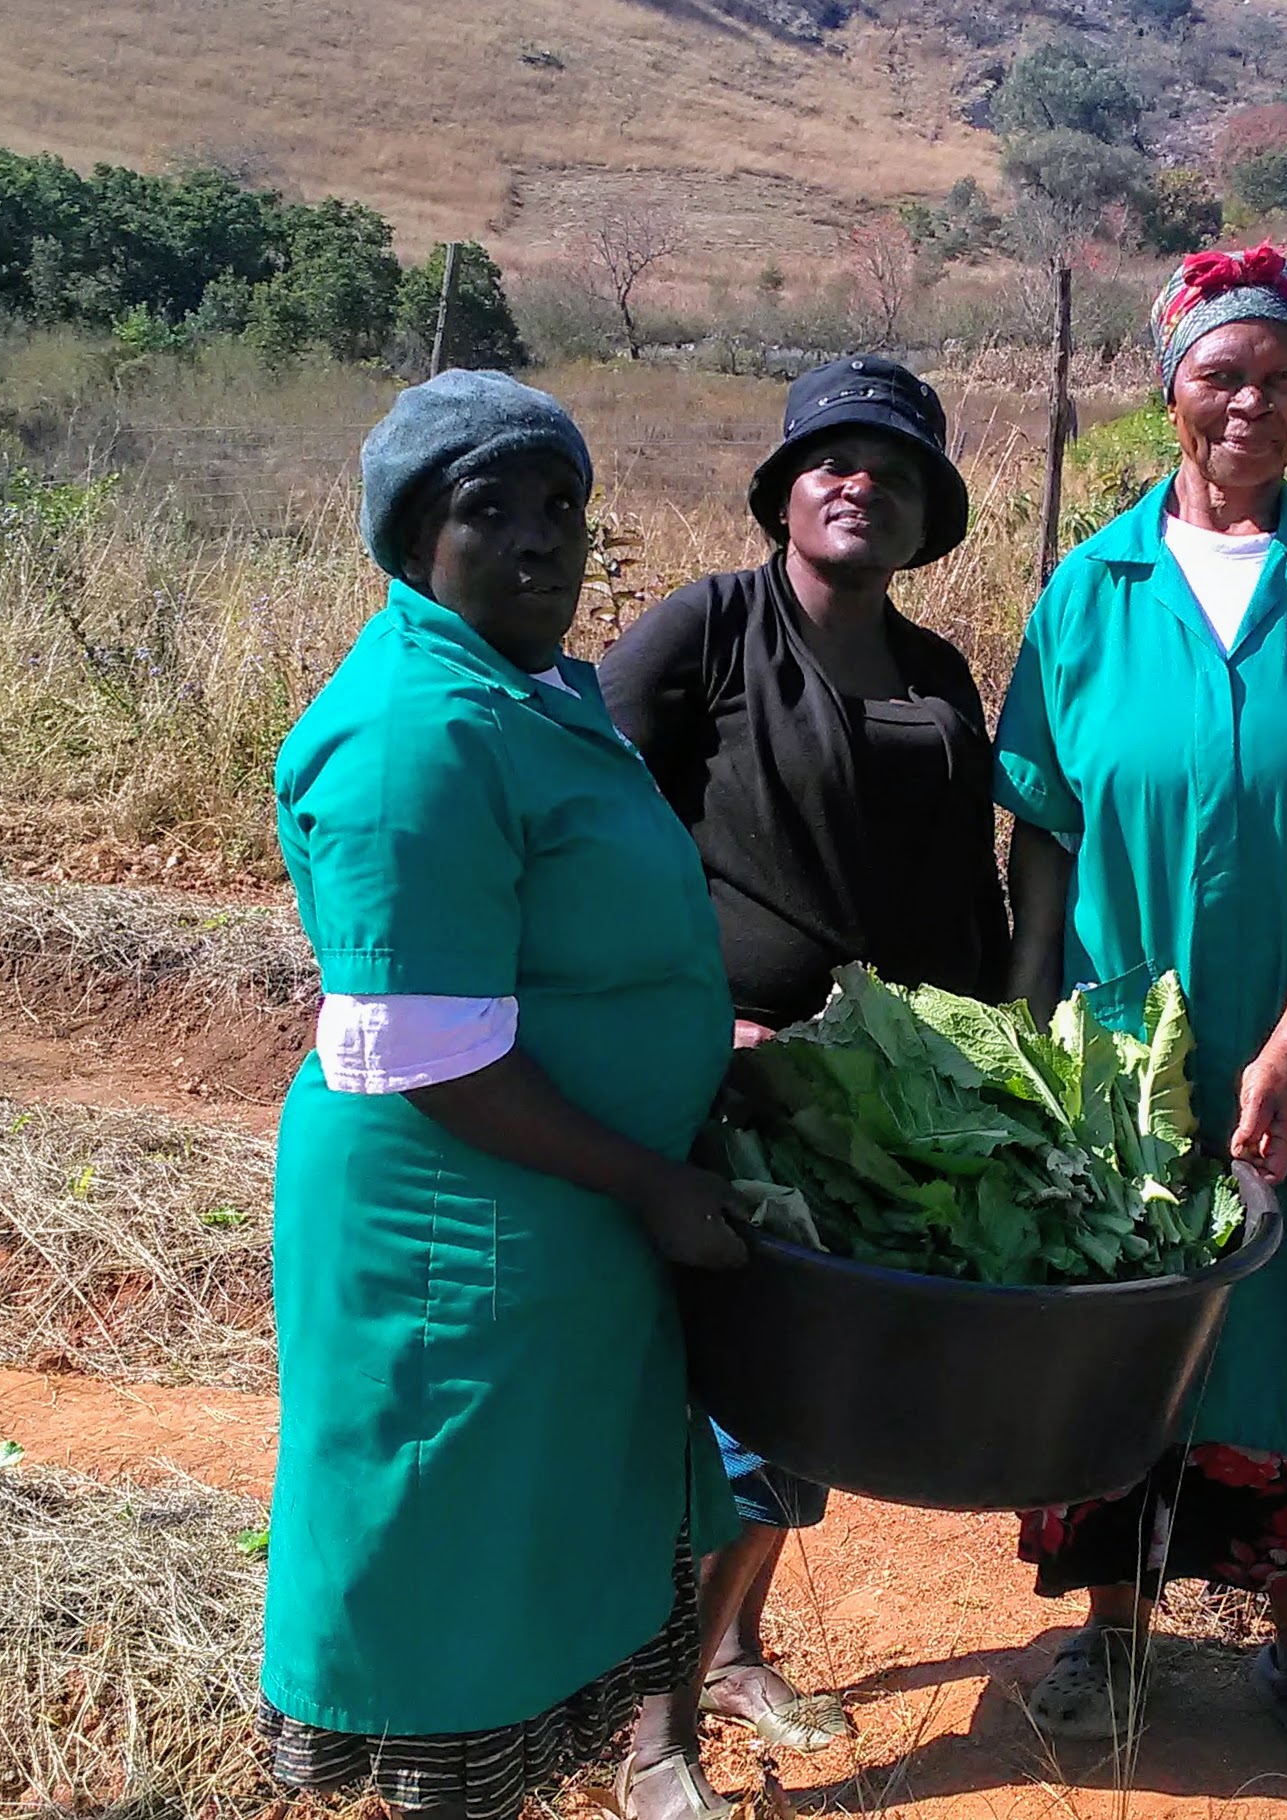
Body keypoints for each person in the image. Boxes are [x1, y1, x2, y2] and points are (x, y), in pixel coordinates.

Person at [993, 246, 1287, 1799]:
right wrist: (1032, 1022)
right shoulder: (1089, 591)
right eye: (1223, 371)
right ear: (1170, 387)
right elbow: (1047, 827)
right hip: (1121, 1054)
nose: (1251, 401)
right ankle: (1120, 1637)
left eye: (1283, 376)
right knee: (1123, 1335)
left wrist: (1282, 1052)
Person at [260, 369, 752, 1820]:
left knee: (535, 1564)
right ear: (417, 536)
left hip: (554, 1231)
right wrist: (653, 1180)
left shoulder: (525, 692)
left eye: (564, 506)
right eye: (493, 508)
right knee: (456, 1595)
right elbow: (422, 1050)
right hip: (457, 1240)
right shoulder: (417, 732)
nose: (543, 539)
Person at [599, 354, 1007, 1802]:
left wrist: (999, 1062)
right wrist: (696, 1028)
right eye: (832, 461)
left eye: (893, 470)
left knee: (810, 1396)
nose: (860, 483)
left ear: (923, 516)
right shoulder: (706, 631)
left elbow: (975, 889)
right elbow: (589, 829)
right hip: (730, 1087)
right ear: (783, 494)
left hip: (887, 1105)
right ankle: (662, 1741)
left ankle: (731, 1647)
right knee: (735, 1402)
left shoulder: (940, 672)